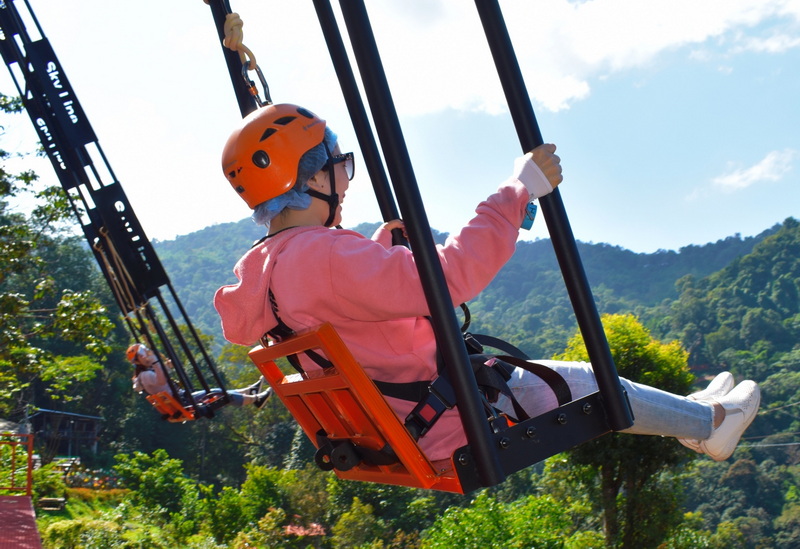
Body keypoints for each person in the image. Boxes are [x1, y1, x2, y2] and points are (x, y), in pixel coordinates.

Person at [214, 103, 760, 462]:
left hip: (403, 419)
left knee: (583, 380)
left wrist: (378, 250)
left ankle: (690, 411)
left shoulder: (266, 269)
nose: (346, 179)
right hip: (450, 417)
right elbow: (452, 275)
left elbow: (335, 304)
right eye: (340, 165)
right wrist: (516, 191)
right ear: (311, 178)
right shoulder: (324, 255)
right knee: (596, 384)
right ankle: (709, 425)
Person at [127, 343, 272, 409]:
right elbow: (161, 379)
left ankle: (249, 391)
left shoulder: (146, 373)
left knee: (217, 391)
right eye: (142, 354)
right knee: (220, 395)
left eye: (145, 351)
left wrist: (165, 366)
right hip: (183, 401)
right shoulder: (144, 376)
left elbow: (161, 380)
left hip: (181, 397)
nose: (146, 355)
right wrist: (156, 362)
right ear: (138, 361)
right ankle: (256, 399)